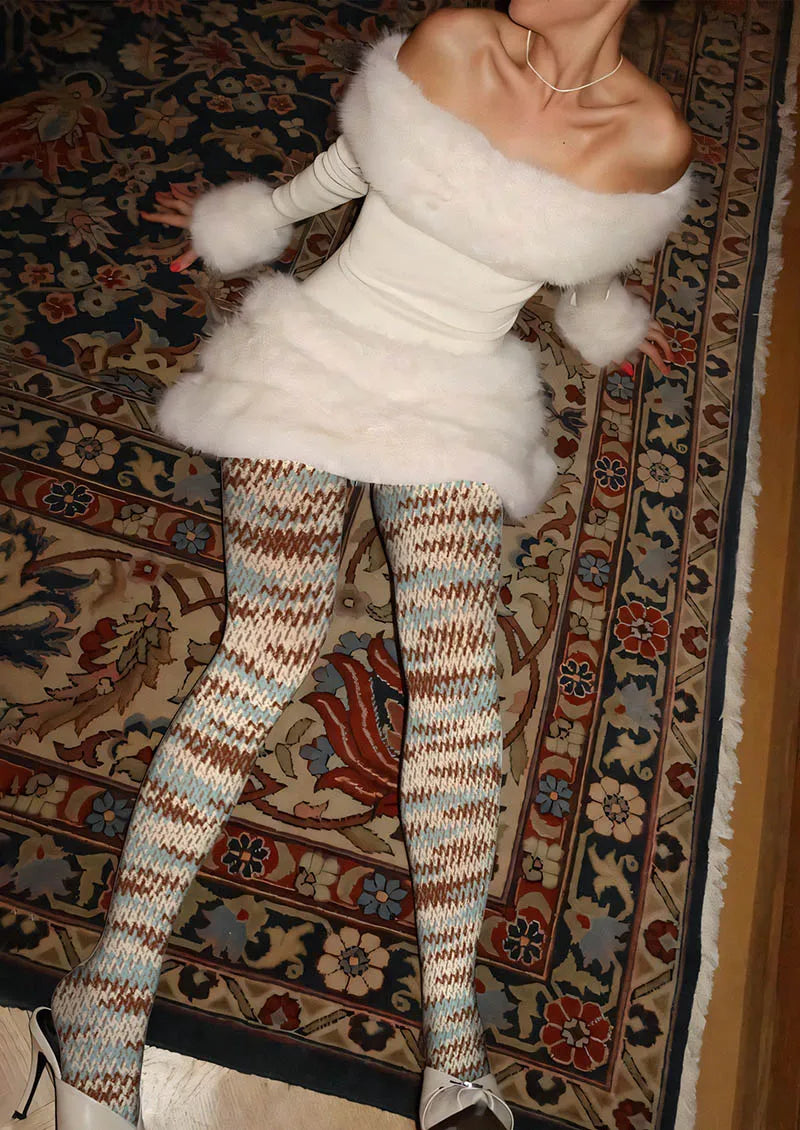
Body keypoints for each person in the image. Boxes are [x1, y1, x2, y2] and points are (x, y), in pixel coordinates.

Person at [14, 3, 693, 1129]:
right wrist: (255, 218)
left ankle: (454, 1052)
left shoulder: (651, 137)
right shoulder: (456, 39)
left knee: (460, 690)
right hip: (312, 360)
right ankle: (101, 1002)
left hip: (455, 401)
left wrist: (597, 310)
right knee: (264, 657)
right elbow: (358, 160)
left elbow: (586, 239)